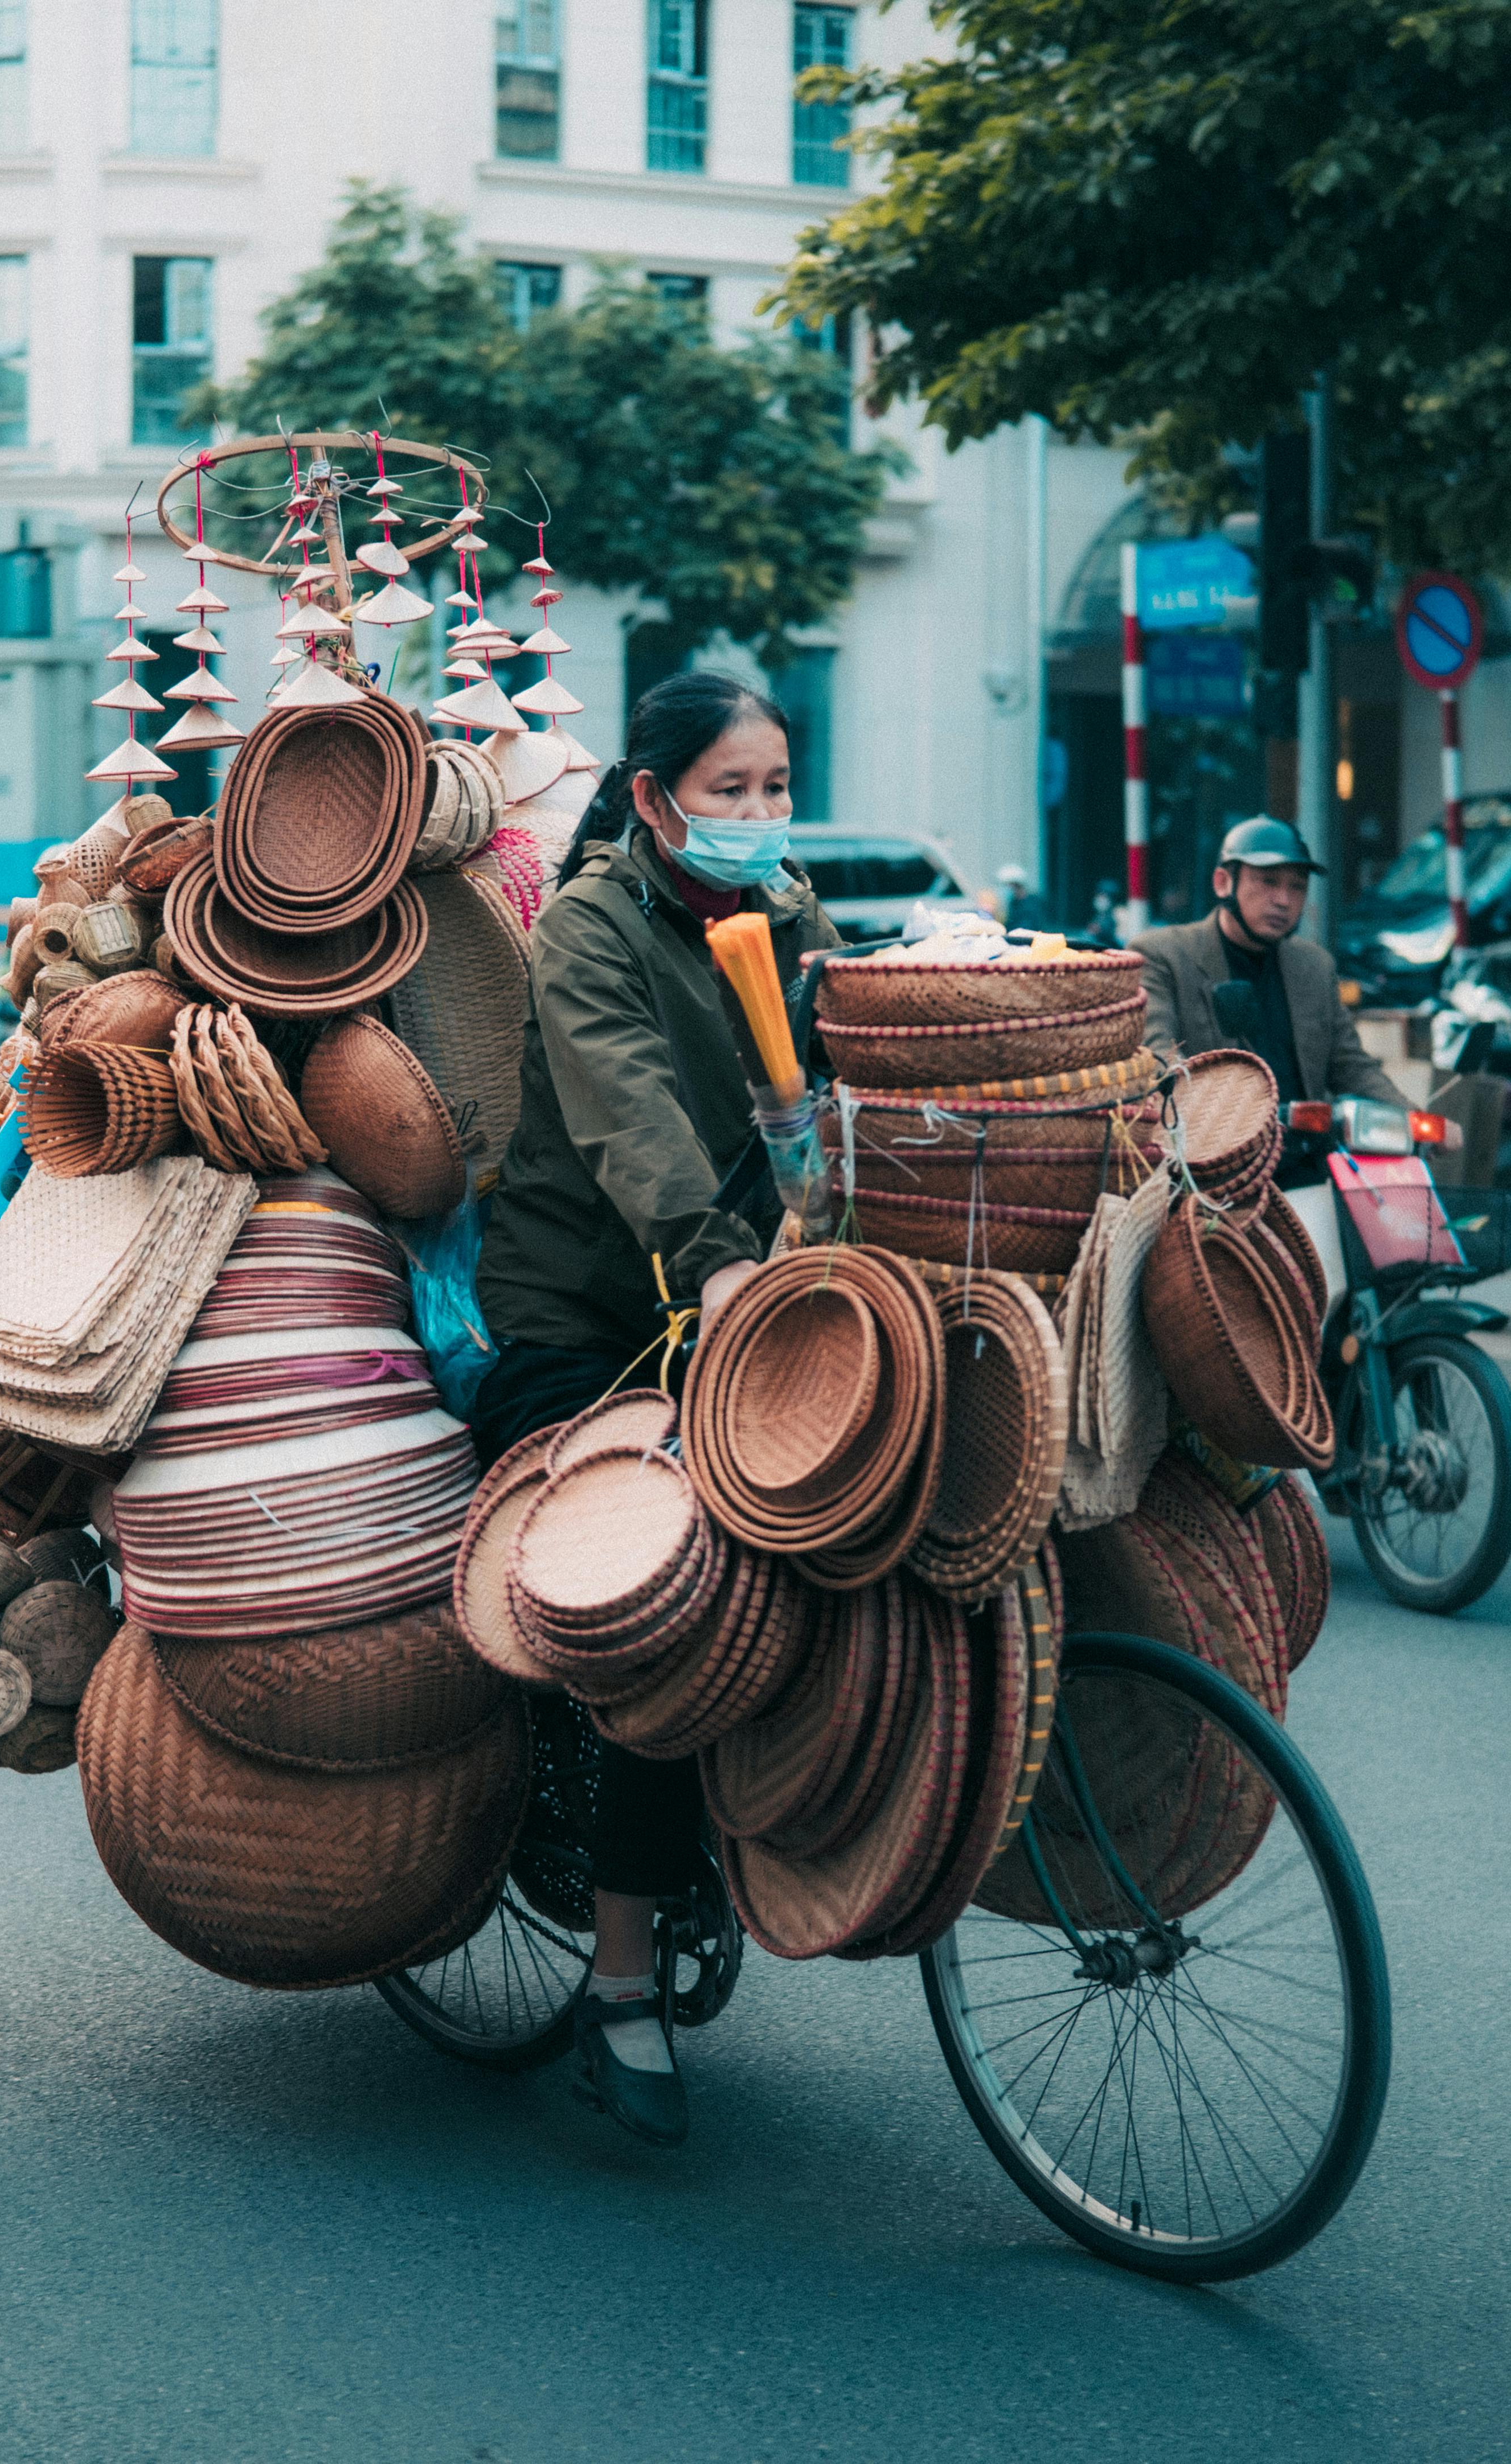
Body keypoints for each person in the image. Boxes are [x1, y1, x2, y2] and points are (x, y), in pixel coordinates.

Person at [472, 670, 841, 2150]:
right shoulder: (590, 928)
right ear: (651, 795)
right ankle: (618, 1978)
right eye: (731, 788)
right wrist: (723, 1266)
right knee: (665, 1599)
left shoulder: (794, 910)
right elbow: (634, 1117)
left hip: (745, 1296)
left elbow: (848, 1073)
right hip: (585, 1321)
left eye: (775, 785)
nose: (759, 815)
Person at [1133, 817, 1399, 1176]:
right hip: (1212, 1171)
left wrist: (1413, 1116)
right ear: (1223, 882)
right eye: (1268, 881)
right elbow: (1159, 1057)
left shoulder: (1315, 966)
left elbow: (1350, 1064)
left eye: (1297, 887)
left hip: (1305, 1163)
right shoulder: (1165, 955)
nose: (1283, 900)